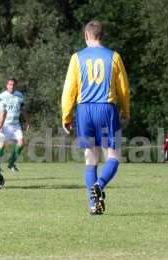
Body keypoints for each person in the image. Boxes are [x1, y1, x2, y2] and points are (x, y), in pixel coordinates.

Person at [61, 20, 130, 215]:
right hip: (106, 108)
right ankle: (99, 185)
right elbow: (124, 89)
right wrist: (125, 110)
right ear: (102, 36)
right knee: (114, 157)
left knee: (90, 159)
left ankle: (93, 203)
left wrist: (66, 115)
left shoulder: (77, 58)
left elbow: (69, 90)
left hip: (84, 111)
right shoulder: (114, 57)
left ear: (86, 36)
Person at [0, 78, 30, 171]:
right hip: (4, 124)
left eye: (13, 84)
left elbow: (23, 110)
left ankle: (11, 163)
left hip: (15, 124)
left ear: (16, 85)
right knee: (1, 144)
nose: (12, 86)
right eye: (10, 84)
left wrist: (27, 122)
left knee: (21, 143)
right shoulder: (1, 96)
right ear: (7, 85)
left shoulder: (19, 95)